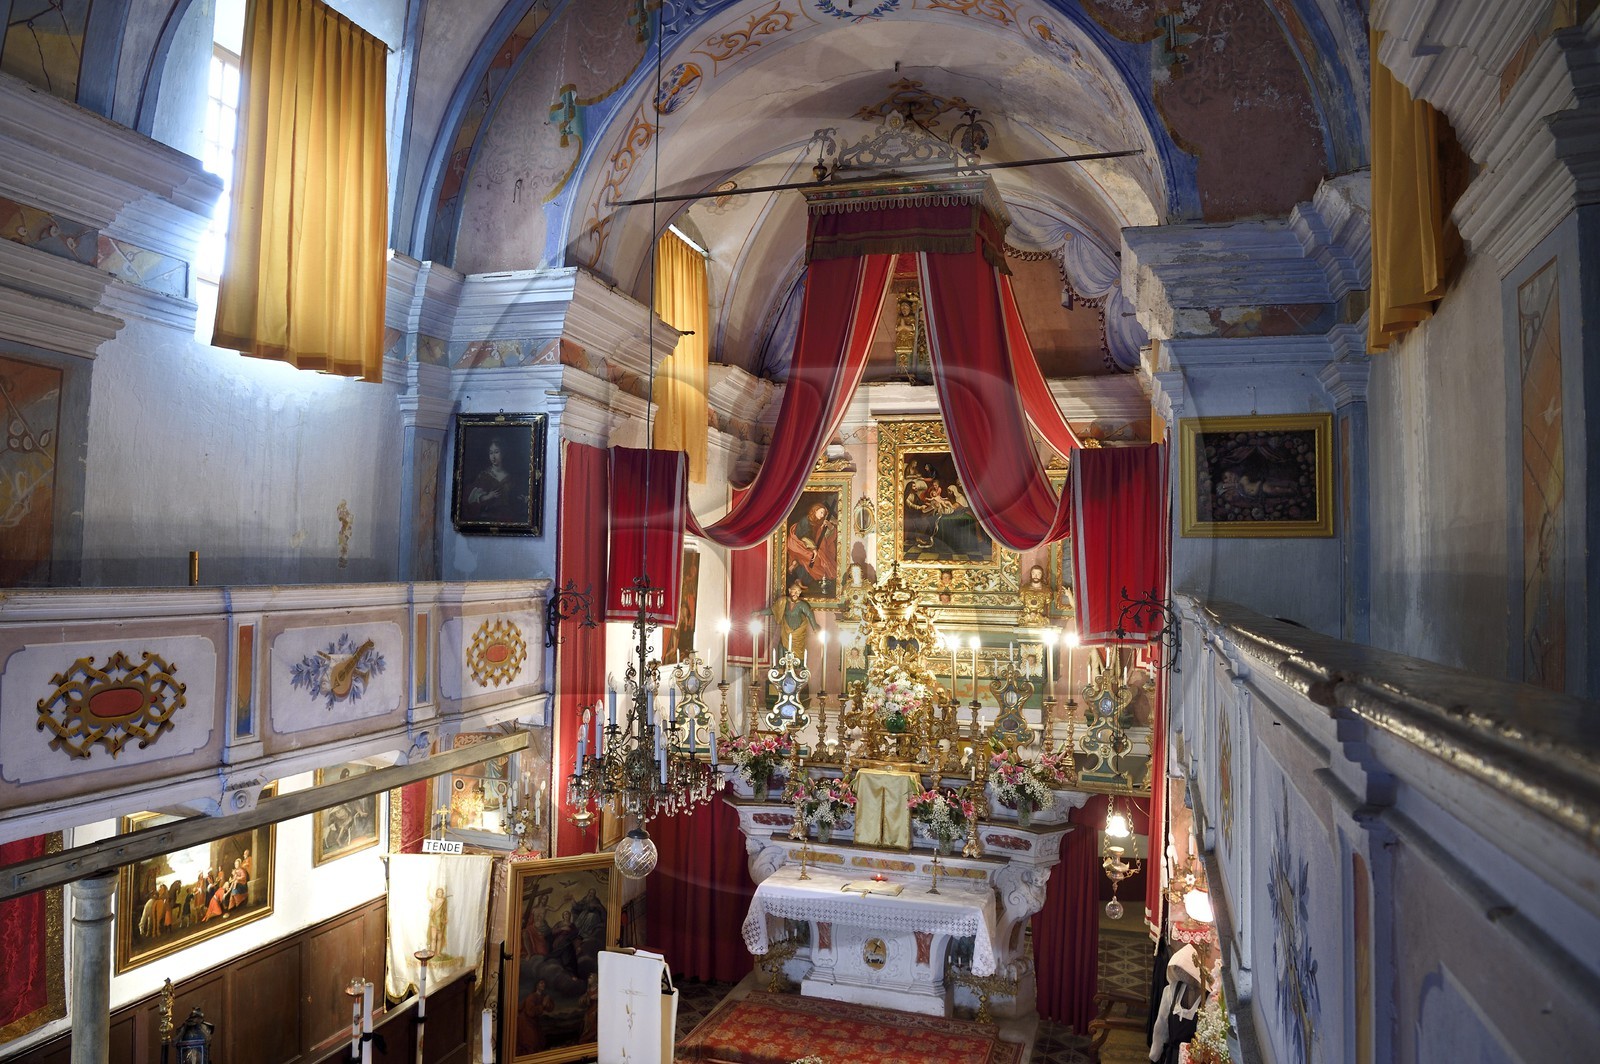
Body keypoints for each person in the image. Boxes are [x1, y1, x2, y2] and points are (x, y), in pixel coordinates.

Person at [463, 436, 528, 524]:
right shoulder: (484, 476)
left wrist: (523, 499)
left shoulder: (511, 478)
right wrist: (488, 497)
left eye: (496, 452)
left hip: (508, 519)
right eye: (491, 453)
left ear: (503, 453)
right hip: (488, 518)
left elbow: (514, 500)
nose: (493, 456)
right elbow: (470, 499)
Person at [785, 501, 838, 596]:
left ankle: (799, 578)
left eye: (824, 514)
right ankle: (796, 568)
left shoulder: (818, 522)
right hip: (797, 542)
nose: (822, 515)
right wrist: (814, 549)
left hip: (808, 545)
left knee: (817, 558)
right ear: (815, 511)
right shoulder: (806, 520)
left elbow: (825, 533)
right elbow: (804, 536)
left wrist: (829, 526)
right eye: (821, 512)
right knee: (811, 557)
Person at [770, 580, 817, 658]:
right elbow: (772, 610)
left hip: (798, 635)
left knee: (797, 656)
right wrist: (758, 613)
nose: (796, 594)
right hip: (785, 633)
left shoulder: (802, 605)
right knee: (782, 650)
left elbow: (809, 615)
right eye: (794, 591)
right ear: (789, 590)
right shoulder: (783, 602)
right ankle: (782, 669)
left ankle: (798, 668)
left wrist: (815, 628)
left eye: (798, 591)